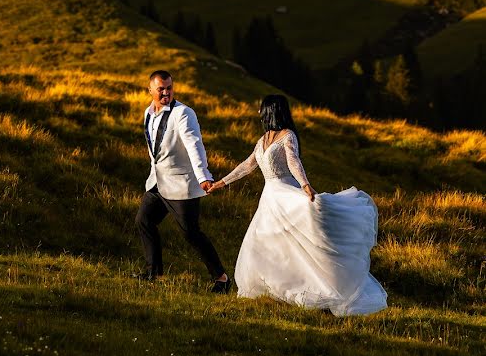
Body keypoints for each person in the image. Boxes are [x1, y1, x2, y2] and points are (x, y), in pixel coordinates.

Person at [208, 94, 387, 315]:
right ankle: (273, 285)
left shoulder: (287, 136)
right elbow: (248, 165)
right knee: (266, 242)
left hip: (286, 193)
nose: (258, 113)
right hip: (269, 197)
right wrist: (221, 183)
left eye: (262, 110)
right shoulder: (263, 139)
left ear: (271, 112)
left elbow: (293, 161)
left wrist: (305, 185)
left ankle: (315, 286)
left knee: (298, 243)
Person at [134, 70, 230, 292]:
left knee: (191, 232)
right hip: (157, 183)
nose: (166, 92)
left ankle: (222, 278)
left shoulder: (184, 113)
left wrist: (203, 176)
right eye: (161, 89)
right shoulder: (147, 114)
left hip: (181, 185)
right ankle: (153, 273)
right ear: (150, 90)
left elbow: (194, 145)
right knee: (143, 220)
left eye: (169, 88)